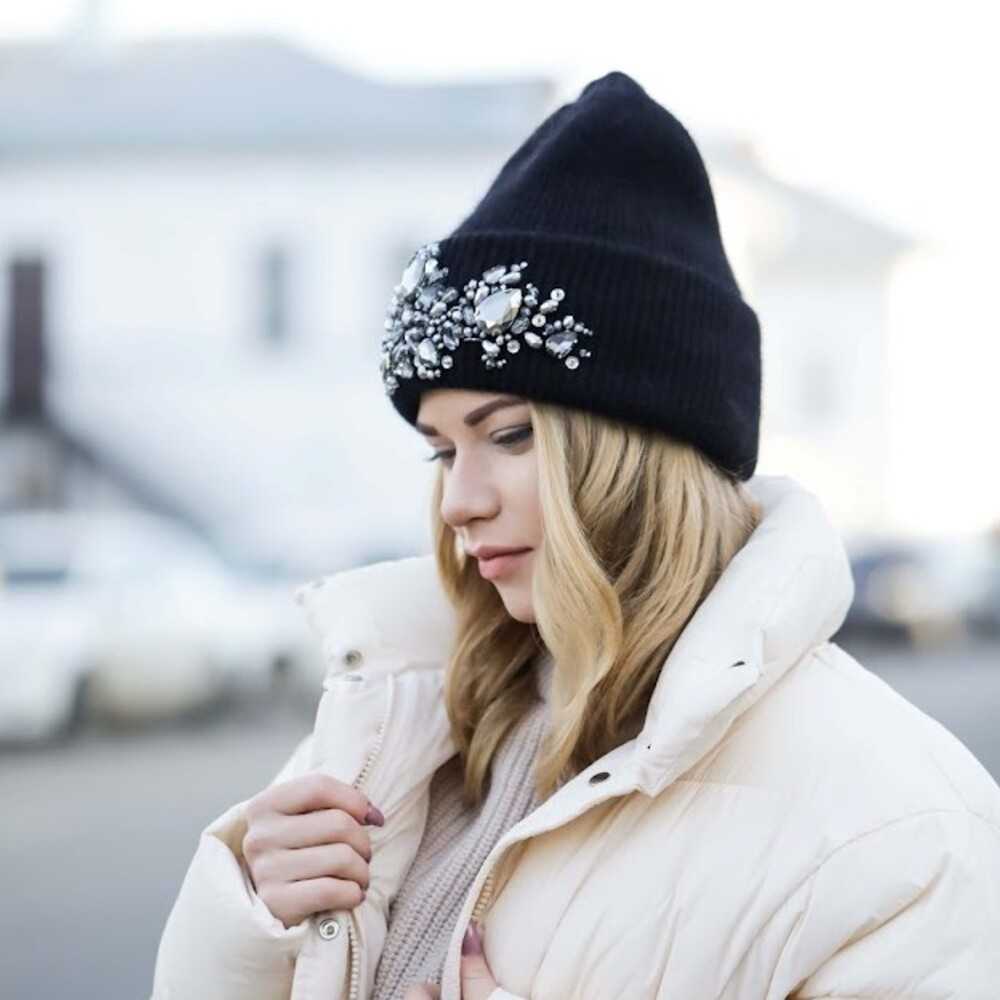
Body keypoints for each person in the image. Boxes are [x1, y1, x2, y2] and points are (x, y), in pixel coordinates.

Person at [151, 72, 1000, 1000]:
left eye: (510, 435)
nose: (458, 503)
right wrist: (253, 924)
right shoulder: (399, 716)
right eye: (442, 451)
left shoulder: (907, 832)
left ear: (641, 452)